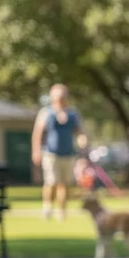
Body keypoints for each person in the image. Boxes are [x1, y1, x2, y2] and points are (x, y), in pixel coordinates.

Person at [30, 84, 88, 221]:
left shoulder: (73, 114)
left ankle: (61, 210)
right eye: (57, 97)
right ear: (52, 98)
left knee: (64, 184)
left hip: (68, 153)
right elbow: (37, 133)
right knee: (51, 182)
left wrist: (83, 140)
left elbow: (80, 132)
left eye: (62, 97)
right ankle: (47, 207)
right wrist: (36, 151)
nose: (60, 99)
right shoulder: (46, 112)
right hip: (51, 154)